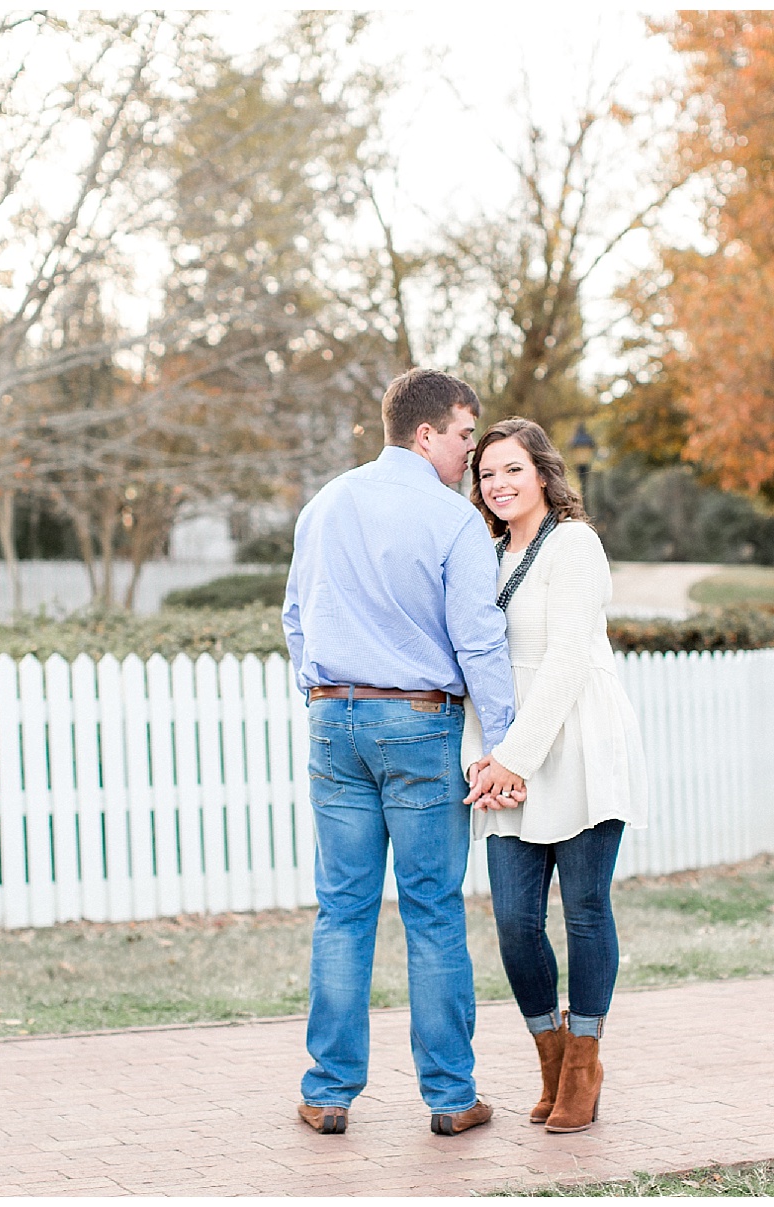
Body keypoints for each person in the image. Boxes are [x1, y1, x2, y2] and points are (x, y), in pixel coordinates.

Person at [282, 368, 528, 1138]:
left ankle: (327, 1091)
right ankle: (452, 1098)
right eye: (463, 437)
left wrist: (323, 693)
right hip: (419, 724)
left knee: (343, 909)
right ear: (426, 435)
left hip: (333, 720)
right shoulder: (451, 519)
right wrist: (511, 742)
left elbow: (296, 614)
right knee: (430, 910)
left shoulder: (325, 504)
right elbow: (480, 641)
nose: (470, 457)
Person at [461, 417, 648, 1135]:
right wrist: (489, 759)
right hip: (508, 759)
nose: (499, 484)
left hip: (577, 746)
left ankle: (584, 1063)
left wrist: (517, 756)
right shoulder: (482, 556)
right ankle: (549, 1051)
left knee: (586, 909)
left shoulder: (576, 546)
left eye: (512, 468)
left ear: (542, 473)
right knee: (513, 920)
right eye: (486, 474)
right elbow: (478, 664)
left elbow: (569, 658)